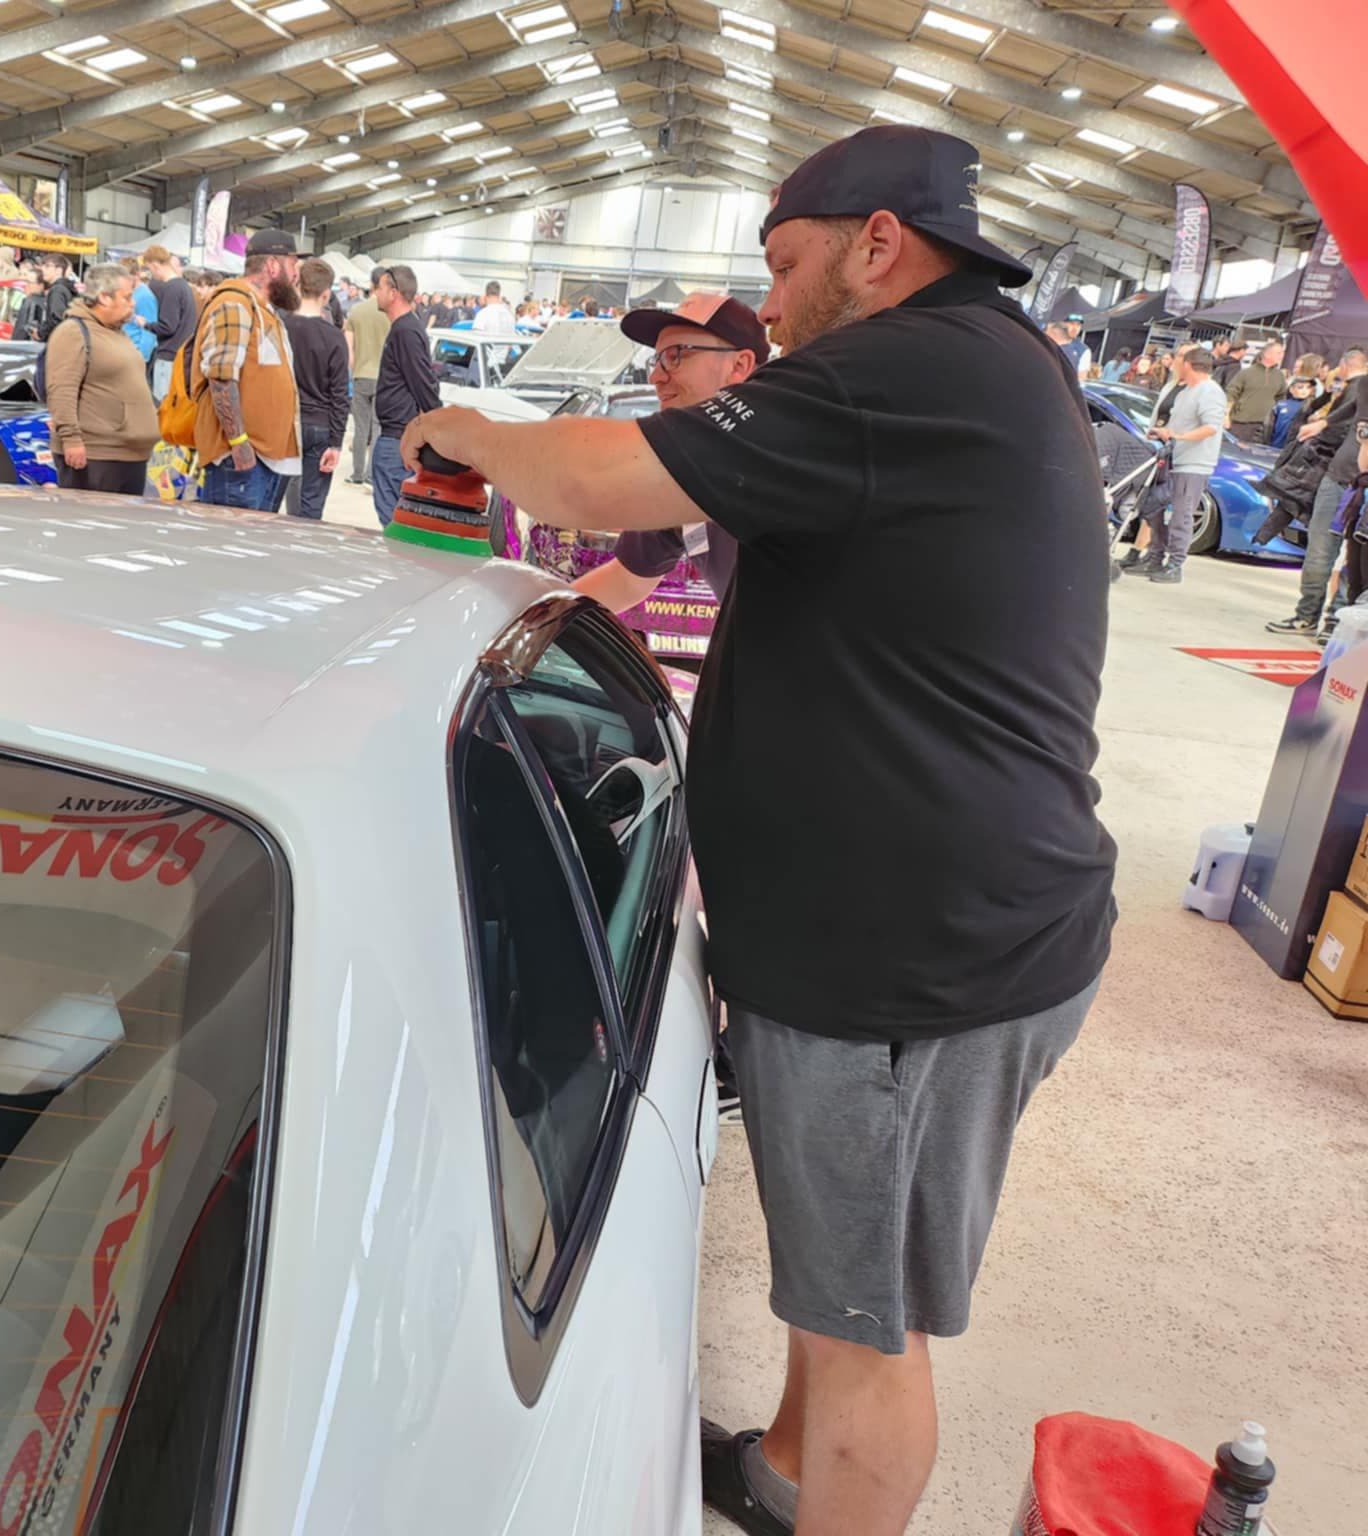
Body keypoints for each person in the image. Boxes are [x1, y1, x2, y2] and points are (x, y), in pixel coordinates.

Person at [400, 124, 1115, 1536]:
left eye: (784, 267)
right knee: (833, 1270)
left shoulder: (910, 367)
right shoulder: (971, 368)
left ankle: (830, 1488)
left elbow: (602, 483)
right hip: (903, 931)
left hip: (916, 961)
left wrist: (462, 427)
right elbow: (656, 544)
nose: (769, 305)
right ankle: (788, 1475)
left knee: (868, 1322)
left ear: (879, 243)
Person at [567, 292, 769, 616]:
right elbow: (626, 580)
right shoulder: (681, 467)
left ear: (739, 365)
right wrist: (528, 621)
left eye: (677, 356)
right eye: (657, 359)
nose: (656, 377)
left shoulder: (790, 460)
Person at [192, 230, 305, 510]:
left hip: (260, 460)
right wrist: (239, 442)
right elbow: (220, 377)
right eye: (293, 266)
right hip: (240, 462)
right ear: (272, 266)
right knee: (230, 548)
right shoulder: (234, 303)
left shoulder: (261, 309)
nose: (296, 275)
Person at [1267, 346, 1368, 638]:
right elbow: (1353, 409)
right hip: (1341, 478)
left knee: (1352, 559)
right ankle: (1310, 616)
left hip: (1356, 483)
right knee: (1323, 552)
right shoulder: (1361, 385)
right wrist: (1325, 422)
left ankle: (1337, 622)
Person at [43, 263, 159, 497]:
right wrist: (71, 439)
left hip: (127, 455)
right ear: (104, 298)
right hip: (97, 455)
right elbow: (62, 390)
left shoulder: (116, 333)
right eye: (127, 297)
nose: (133, 303)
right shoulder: (74, 332)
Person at [1125, 348, 1226, 583]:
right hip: (1173, 457)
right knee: (1152, 504)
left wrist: (1177, 436)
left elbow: (1211, 427)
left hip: (1193, 462)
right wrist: (1164, 433)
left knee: (1182, 514)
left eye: (1180, 361)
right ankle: (1155, 555)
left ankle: (1175, 564)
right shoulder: (1183, 391)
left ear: (1188, 365)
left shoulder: (1209, 392)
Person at [280, 258, 351, 519]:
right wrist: (336, 442)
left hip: (285, 423)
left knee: (274, 499)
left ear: (297, 285)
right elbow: (340, 394)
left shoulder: (281, 328)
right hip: (320, 426)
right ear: (326, 294)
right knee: (312, 506)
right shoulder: (334, 337)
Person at [370, 264, 440, 526]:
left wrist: (436, 424)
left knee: (393, 518)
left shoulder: (406, 330)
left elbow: (423, 382)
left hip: (398, 439)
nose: (376, 293)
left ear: (394, 292)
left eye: (380, 287)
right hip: (397, 435)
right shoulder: (404, 328)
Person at [344, 265, 393, 485]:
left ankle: (356, 474)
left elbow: (349, 350)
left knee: (360, 428)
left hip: (361, 376)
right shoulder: (390, 313)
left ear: (370, 285)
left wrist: (353, 373)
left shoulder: (357, 311)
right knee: (377, 428)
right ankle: (371, 475)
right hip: (383, 379)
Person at [144, 244, 196, 401]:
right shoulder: (183, 286)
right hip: (180, 354)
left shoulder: (171, 289)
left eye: (150, 269)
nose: (151, 273)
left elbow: (168, 327)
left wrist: (145, 324)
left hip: (168, 357)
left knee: (162, 405)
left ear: (155, 265)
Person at [1225, 339, 1287, 444]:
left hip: (1266, 425)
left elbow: (1281, 398)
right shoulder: (1246, 373)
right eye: (1279, 353)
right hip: (1242, 423)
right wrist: (1226, 417)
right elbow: (1231, 394)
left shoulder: (1279, 375)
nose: (1282, 355)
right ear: (1267, 354)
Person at [119, 256, 160, 362]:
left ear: (136, 275)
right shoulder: (128, 292)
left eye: (127, 278)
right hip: (126, 349)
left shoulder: (145, 296)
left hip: (138, 353)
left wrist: (142, 356)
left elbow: (150, 330)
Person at [27, 255, 76, 342]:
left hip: (58, 341)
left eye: (47, 266)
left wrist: (40, 332)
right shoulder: (66, 288)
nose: (43, 269)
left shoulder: (57, 290)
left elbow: (56, 319)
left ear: (58, 270)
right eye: (43, 266)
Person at [1270, 373, 1319, 447]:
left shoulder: (1310, 406)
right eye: (1300, 387)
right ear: (1291, 389)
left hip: (1294, 447)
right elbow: (1269, 426)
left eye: (1308, 387)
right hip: (1275, 444)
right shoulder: (1280, 405)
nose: (1304, 390)